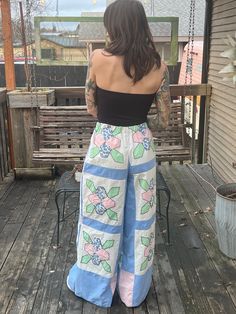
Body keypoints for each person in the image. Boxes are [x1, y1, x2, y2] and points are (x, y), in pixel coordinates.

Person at [67, 0, 170, 308]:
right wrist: (137, 124)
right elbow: (163, 120)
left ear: (114, 26)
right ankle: (132, 289)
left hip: (105, 146)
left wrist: (114, 120)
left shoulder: (97, 58)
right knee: (140, 218)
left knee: (101, 215)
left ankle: (98, 284)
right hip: (140, 147)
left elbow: (91, 107)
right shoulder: (159, 67)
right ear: (142, 24)